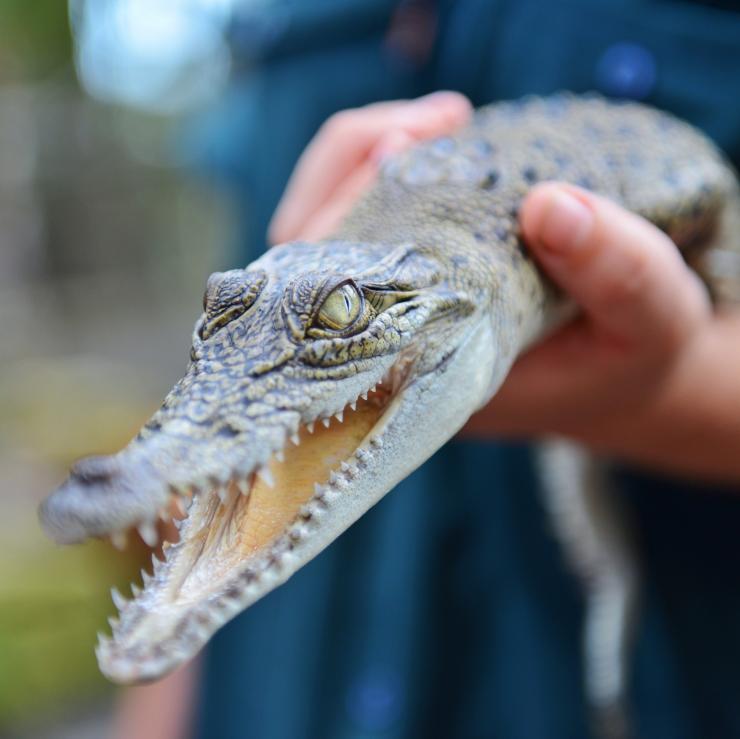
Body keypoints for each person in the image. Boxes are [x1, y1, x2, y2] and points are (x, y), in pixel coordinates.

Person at [114, 2, 740, 738]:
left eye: (341, 315)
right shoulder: (278, 30)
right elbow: (233, 399)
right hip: (280, 682)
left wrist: (671, 387)